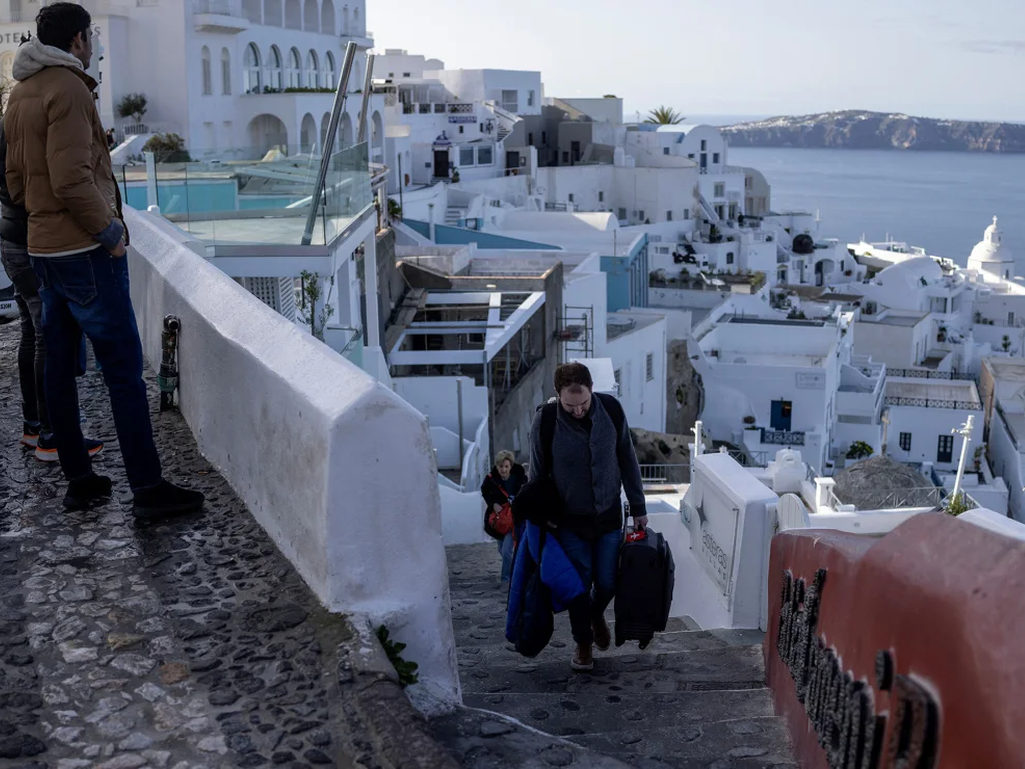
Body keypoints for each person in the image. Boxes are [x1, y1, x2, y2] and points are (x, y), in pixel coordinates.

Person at [4, 3, 203, 518]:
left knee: (58, 366)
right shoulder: (68, 88)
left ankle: (80, 479)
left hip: (43, 247)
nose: (91, 45)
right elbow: (70, 178)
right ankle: (148, 489)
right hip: (84, 251)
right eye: (89, 37)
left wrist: (45, 219)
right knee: (122, 374)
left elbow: (18, 180)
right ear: (76, 40)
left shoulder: (21, 92)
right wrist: (110, 232)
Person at [528, 362, 647, 672]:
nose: (578, 410)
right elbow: (537, 476)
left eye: (583, 403)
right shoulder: (546, 421)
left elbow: (627, 459)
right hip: (569, 523)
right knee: (578, 588)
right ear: (558, 396)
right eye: (570, 405)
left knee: (607, 583)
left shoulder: (611, 410)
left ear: (592, 390)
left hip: (608, 517)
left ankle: (596, 616)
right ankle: (583, 643)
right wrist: (535, 522)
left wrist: (639, 507)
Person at [0, 120, 104, 463]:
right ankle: (52, 435)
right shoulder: (22, 126)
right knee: (47, 334)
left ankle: (34, 429)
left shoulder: (9, 121)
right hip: (31, 239)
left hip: (10, 238)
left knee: (31, 331)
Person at [480, 449, 527, 582]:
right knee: (502, 549)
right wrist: (493, 503)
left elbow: (526, 491)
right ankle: (516, 570)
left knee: (507, 551)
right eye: (501, 466)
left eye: (506, 466)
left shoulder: (519, 478)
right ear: (497, 466)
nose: (503, 470)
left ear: (510, 466)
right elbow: (484, 491)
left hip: (513, 519)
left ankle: (507, 579)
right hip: (500, 520)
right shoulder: (491, 480)